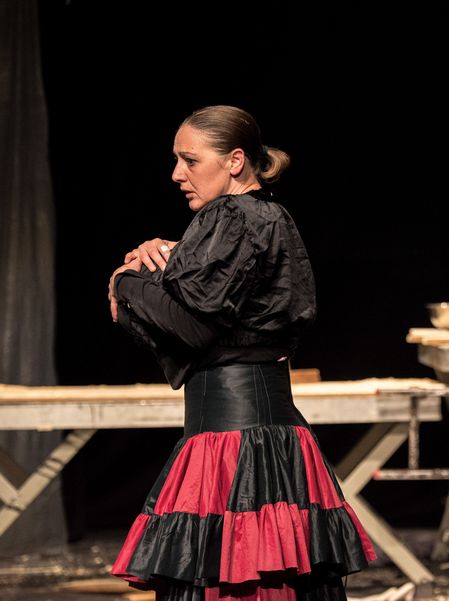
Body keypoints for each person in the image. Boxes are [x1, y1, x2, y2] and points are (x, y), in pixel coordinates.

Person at [107, 105, 375, 601]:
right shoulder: (268, 215)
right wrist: (165, 261)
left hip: (231, 446)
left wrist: (126, 283)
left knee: (234, 579)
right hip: (274, 436)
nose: (177, 174)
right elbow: (219, 299)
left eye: (190, 160)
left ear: (234, 161)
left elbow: (191, 327)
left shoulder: (229, 215)